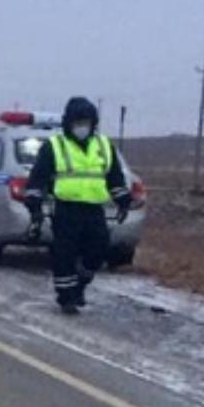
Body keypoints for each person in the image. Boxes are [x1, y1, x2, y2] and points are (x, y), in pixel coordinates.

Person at [22, 97, 131, 315]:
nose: (82, 127)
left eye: (86, 122)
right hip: (66, 209)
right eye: (78, 122)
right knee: (65, 254)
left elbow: (115, 178)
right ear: (68, 123)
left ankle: (80, 283)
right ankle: (66, 298)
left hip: (94, 210)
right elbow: (38, 179)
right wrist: (35, 208)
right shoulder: (55, 146)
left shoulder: (103, 145)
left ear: (93, 123)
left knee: (99, 249)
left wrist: (123, 202)